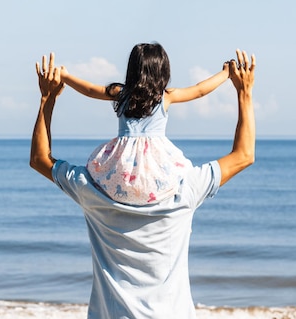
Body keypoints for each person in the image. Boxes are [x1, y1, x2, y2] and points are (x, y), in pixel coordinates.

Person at [30, 49, 255, 319]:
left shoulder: (92, 187)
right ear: (164, 79)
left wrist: (48, 96)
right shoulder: (185, 186)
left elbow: (41, 158)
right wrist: (241, 90)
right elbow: (243, 154)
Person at [59, 43, 230, 205]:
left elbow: (89, 90)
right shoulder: (166, 96)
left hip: (122, 163)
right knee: (177, 183)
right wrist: (225, 74)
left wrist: (66, 77)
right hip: (156, 162)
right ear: (162, 71)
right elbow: (199, 90)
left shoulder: (121, 93)